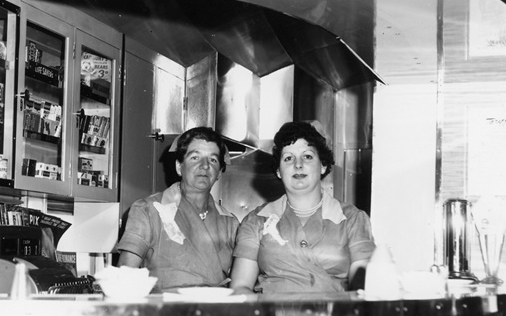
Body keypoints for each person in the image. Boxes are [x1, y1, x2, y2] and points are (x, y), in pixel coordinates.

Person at [230, 121, 375, 294]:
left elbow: (363, 288)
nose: (298, 165)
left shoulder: (352, 219)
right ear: (278, 170)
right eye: (288, 158)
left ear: (322, 165)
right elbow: (240, 287)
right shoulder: (256, 221)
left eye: (307, 156)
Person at [116, 127, 239, 292]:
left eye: (213, 160)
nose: (204, 166)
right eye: (195, 157)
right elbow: (126, 274)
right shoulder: (149, 210)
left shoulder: (230, 222)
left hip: (215, 313)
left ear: (218, 174)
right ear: (179, 167)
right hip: (164, 312)